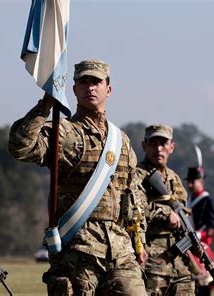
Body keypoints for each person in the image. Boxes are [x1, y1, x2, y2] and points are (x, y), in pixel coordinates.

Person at [8, 59, 147, 295]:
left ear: (108, 89)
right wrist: (44, 106)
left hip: (120, 249)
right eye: (84, 82)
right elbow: (20, 147)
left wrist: (139, 240)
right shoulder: (64, 131)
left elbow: (134, 194)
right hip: (77, 251)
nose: (90, 88)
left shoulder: (121, 140)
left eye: (96, 82)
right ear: (74, 90)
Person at [136, 124, 196, 295]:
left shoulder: (175, 178)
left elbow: (184, 215)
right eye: (153, 143)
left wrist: (194, 243)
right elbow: (135, 208)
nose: (158, 149)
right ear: (144, 145)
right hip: (152, 262)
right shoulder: (137, 175)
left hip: (180, 265)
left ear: (172, 147)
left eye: (163, 143)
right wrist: (165, 214)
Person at [185, 166, 214, 296]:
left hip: (202, 246)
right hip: (187, 244)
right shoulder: (187, 200)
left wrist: (201, 234)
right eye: (188, 181)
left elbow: (213, 226)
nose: (189, 184)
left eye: (192, 181)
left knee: (203, 285)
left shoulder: (208, 201)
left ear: (201, 181)